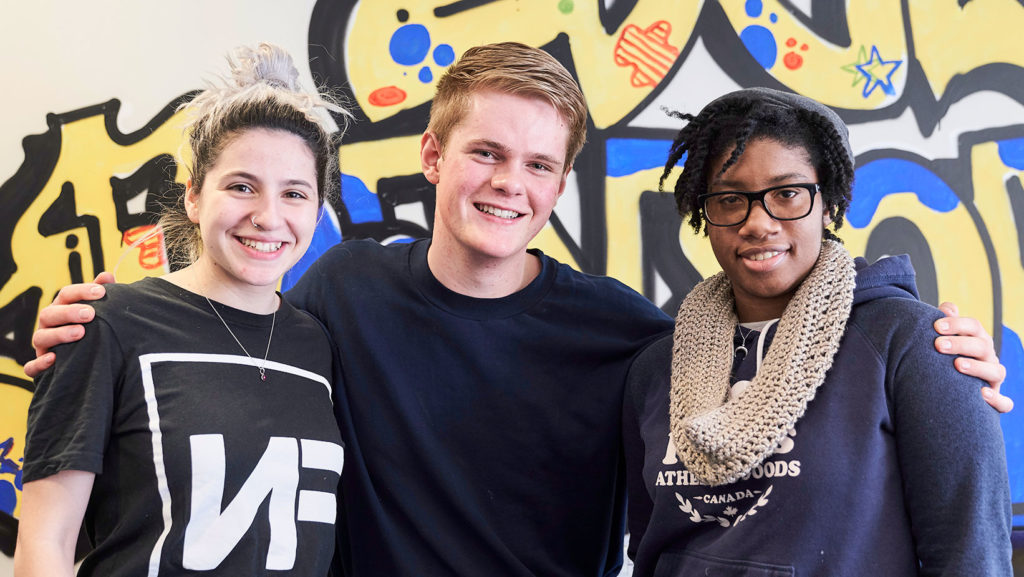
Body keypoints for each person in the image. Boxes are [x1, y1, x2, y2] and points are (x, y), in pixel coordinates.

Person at [25, 44, 1012, 576]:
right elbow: (223, 332)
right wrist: (95, 323)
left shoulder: (628, 333)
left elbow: (764, 405)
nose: (509, 183)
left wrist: (938, 352)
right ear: (432, 159)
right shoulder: (343, 291)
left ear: (560, 182)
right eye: (485, 153)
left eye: (538, 164)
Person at [622, 88, 1013, 576]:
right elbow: (649, 548)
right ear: (705, 214)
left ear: (827, 204)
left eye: (787, 194)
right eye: (729, 199)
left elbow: (970, 555)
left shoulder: (913, 343)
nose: (757, 223)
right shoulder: (657, 369)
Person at [16, 43, 348, 576]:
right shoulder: (105, 325)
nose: (268, 217)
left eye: (294, 194)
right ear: (193, 195)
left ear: (316, 207)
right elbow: (44, 546)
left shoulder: (319, 344)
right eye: (242, 186)